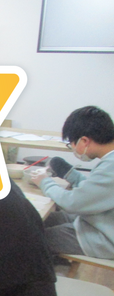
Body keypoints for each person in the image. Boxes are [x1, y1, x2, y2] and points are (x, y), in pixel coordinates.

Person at [31, 106, 114, 258]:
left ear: (84, 141)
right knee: (36, 220)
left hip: (103, 239)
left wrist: (44, 182)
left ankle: (43, 268)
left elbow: (72, 203)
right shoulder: (109, 160)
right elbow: (96, 192)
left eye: (71, 144)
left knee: (29, 238)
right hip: (97, 220)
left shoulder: (111, 166)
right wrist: (71, 175)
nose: (72, 148)